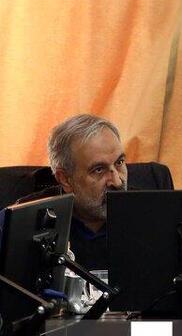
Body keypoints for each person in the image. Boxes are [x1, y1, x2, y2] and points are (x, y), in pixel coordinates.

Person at [40, 114, 169, 270]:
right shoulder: (32, 221)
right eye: (99, 170)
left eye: (119, 162)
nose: (117, 182)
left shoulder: (154, 213)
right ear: (65, 179)